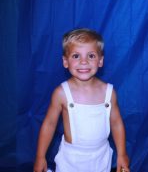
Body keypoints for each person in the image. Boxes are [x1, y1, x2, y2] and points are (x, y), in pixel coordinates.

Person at [34, 28, 130, 172]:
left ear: (101, 61)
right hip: (71, 159)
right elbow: (49, 124)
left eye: (91, 56)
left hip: (101, 158)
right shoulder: (61, 93)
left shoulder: (109, 92)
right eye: (76, 56)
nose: (84, 62)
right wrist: (40, 156)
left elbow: (116, 124)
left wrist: (122, 154)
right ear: (65, 62)